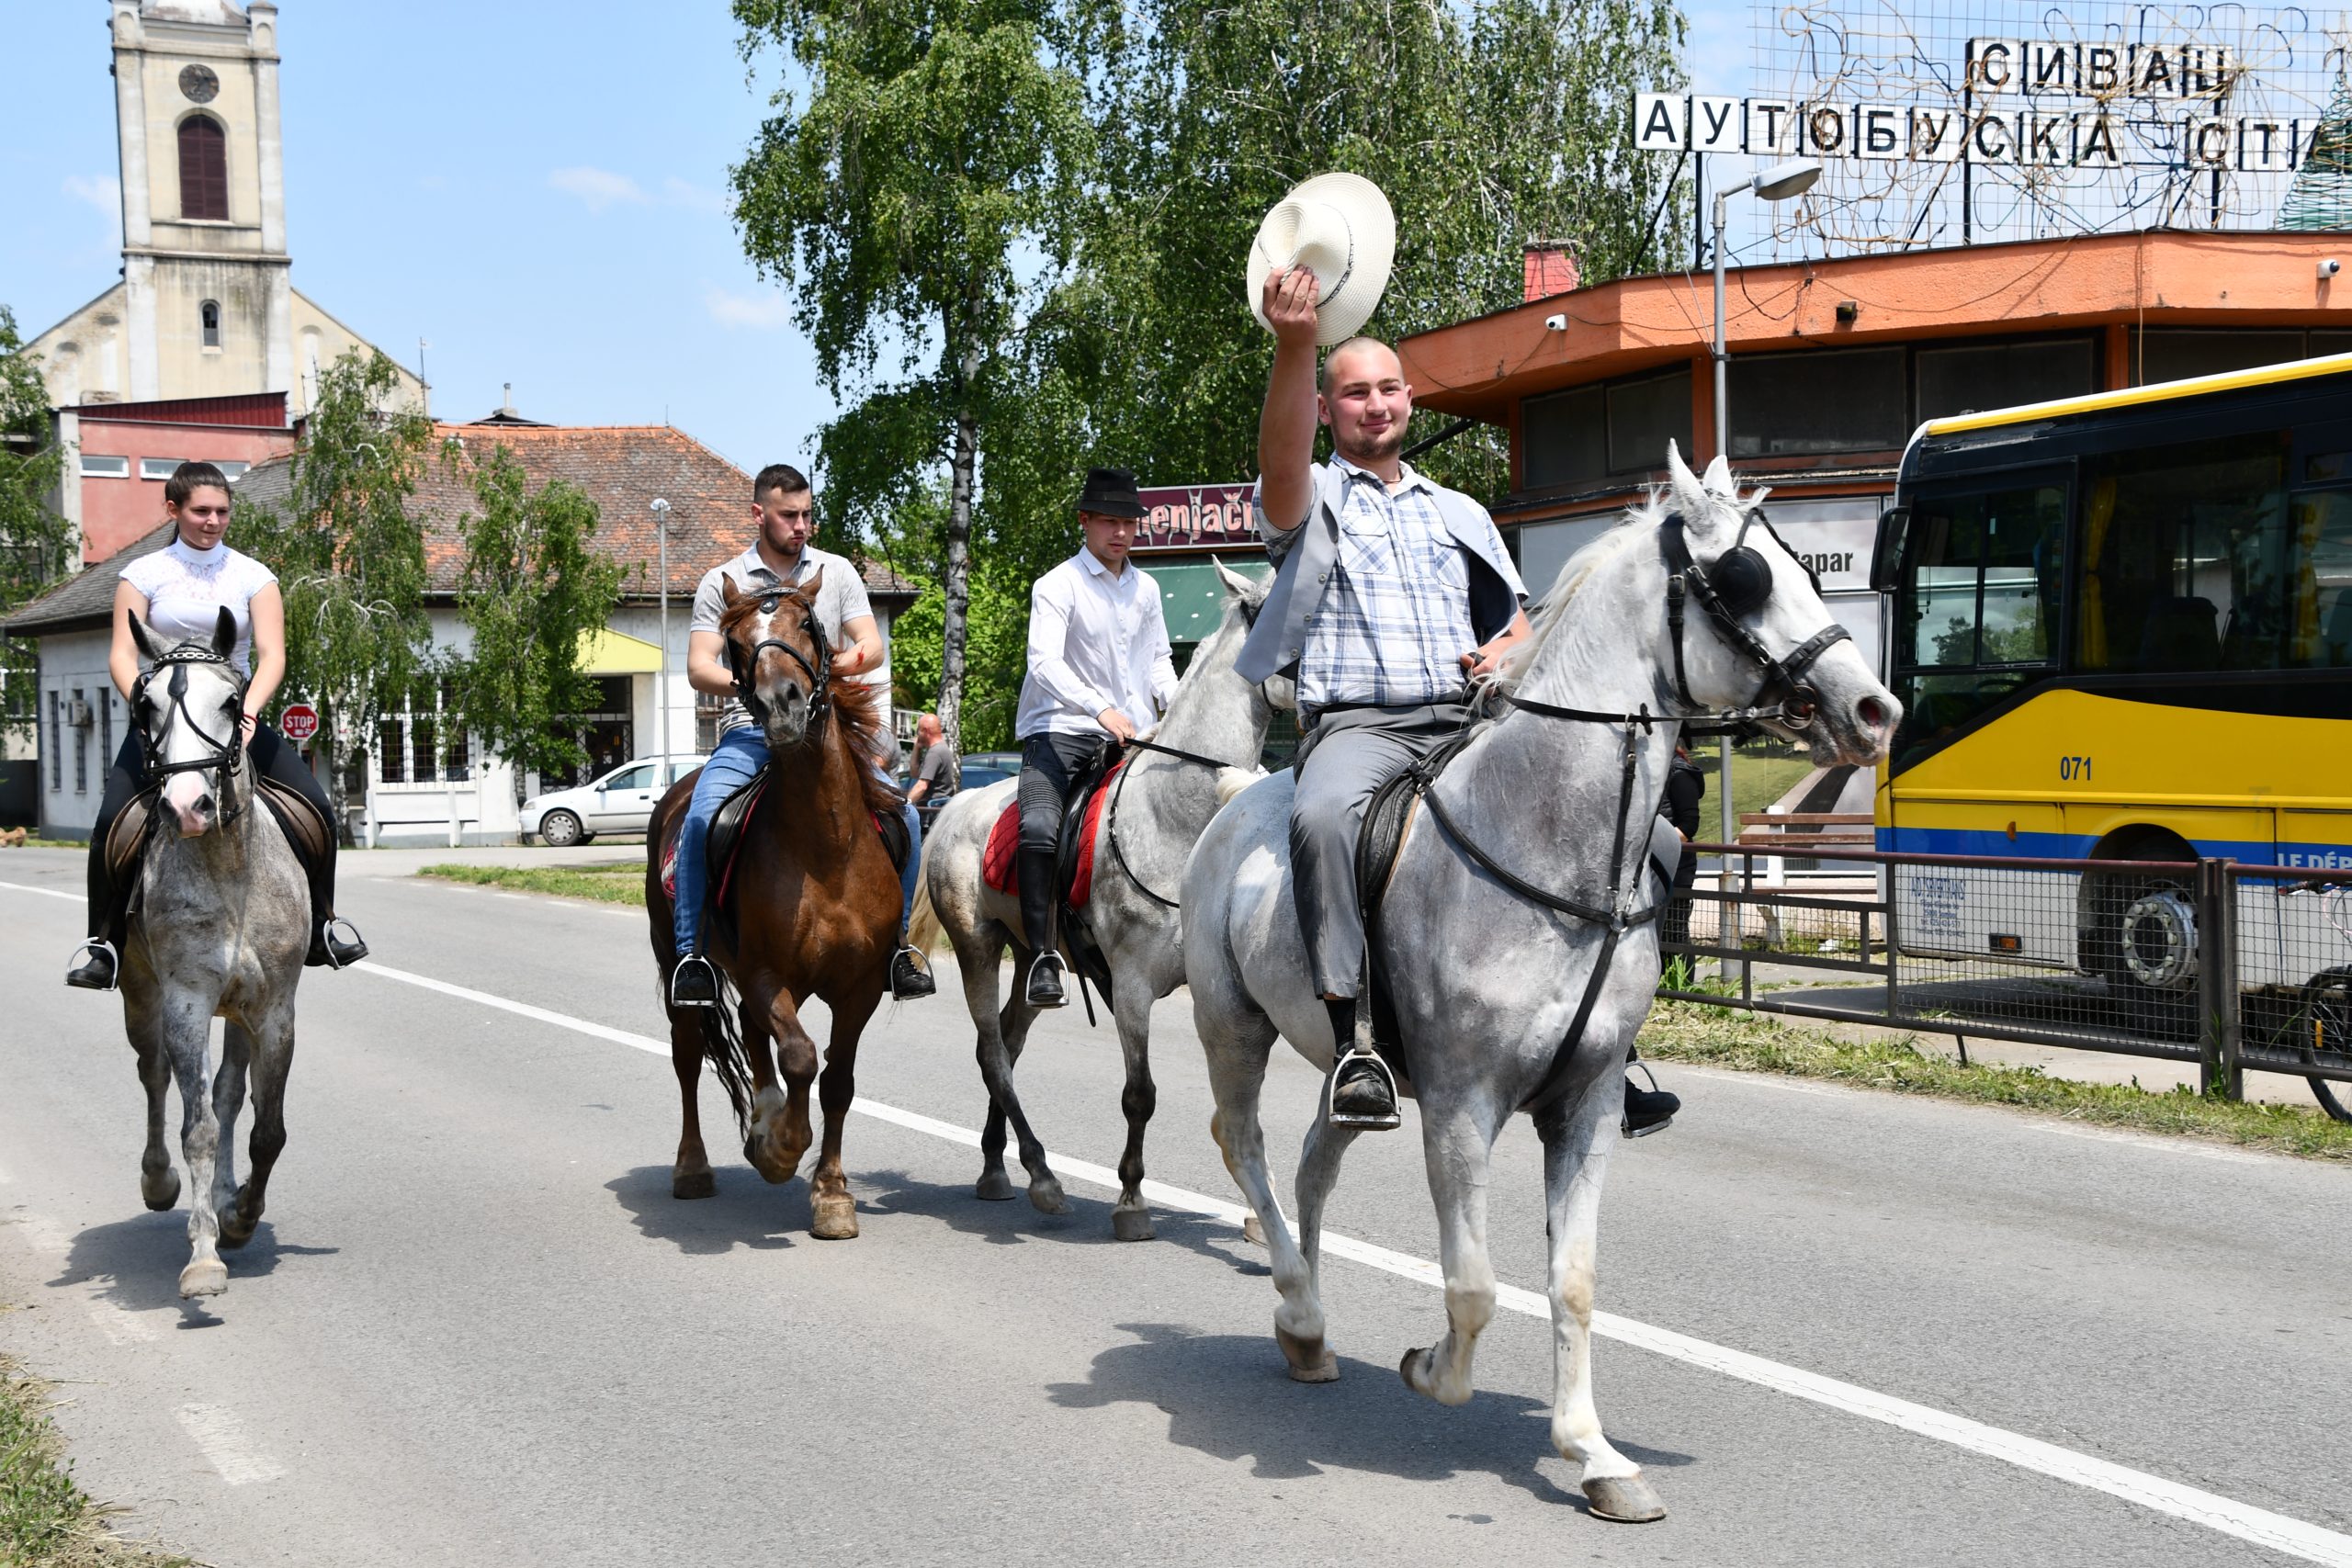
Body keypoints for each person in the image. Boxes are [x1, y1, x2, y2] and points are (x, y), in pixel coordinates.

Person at [1238, 270, 1533, 1128]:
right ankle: (1354, 1039)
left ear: (1411, 399)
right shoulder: (1310, 498)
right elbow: (1279, 460)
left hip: (1464, 721)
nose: (1375, 404)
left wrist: (1505, 651)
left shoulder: (1464, 512)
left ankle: (1601, 1031)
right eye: (1354, 392)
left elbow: (1517, 624)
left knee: (1602, 799)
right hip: (1358, 727)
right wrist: (1298, 347)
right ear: (1328, 411)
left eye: (1388, 388)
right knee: (1323, 818)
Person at [67, 462, 368, 989]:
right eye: (201, 511)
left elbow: (273, 655)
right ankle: (103, 944)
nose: (213, 521)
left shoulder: (253, 575)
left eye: (222, 511)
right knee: (111, 821)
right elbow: (122, 654)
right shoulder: (142, 575)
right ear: (173, 510)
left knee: (317, 806)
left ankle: (323, 924)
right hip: (166, 726)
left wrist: (250, 711)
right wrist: (145, 705)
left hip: (236, 716)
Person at [668, 462, 933, 1008]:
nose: (801, 525)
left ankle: (899, 948)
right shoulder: (724, 582)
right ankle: (693, 956)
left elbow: (871, 645)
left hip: (824, 734)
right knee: (698, 819)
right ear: (758, 513)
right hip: (749, 732)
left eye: (808, 514)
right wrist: (756, 685)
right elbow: (698, 666)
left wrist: (822, 673)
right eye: (789, 515)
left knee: (903, 813)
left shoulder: (836, 573)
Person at [1011, 466, 1176, 1007]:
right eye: (1109, 521)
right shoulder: (1057, 584)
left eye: (1129, 521)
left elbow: (1157, 662)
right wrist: (1100, 707)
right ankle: (1040, 956)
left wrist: (1175, 706)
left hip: (1130, 737)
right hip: (1060, 731)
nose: (1122, 532)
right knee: (1038, 828)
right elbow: (1043, 664)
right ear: (1085, 521)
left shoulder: (1148, 588)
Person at [906, 711, 957, 833]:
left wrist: (905, 804)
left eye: (918, 730)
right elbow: (914, 773)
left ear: (925, 731)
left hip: (931, 813)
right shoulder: (939, 749)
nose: (917, 734)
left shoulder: (935, 753)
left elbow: (922, 786)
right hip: (935, 809)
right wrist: (916, 748)